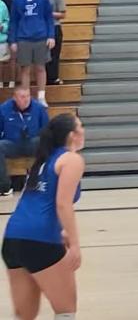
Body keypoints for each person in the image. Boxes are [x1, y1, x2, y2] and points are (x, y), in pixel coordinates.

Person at [1, 113, 85, 318]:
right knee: (66, 311)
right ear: (72, 135)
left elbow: (37, 201)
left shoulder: (43, 160)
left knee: (24, 316)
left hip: (13, 239)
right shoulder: (72, 160)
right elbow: (62, 204)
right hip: (41, 239)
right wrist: (74, 245)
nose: (84, 130)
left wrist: (61, 233)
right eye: (81, 126)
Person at [7, 0, 55, 103]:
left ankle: (41, 97)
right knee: (25, 69)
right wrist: (13, 41)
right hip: (23, 39)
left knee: (41, 67)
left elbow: (48, 18)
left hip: (41, 37)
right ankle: (25, 96)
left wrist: (51, 36)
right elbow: (14, 21)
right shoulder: (17, 0)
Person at [0, 86, 50, 196]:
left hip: (32, 143)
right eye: (22, 97)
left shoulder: (39, 108)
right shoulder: (3, 109)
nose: (26, 99)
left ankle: (43, 181)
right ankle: (4, 186)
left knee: (45, 142)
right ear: (15, 98)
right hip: (12, 144)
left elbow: (47, 129)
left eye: (28, 96)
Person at [39, 0, 65, 86]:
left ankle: (53, 77)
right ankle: (42, 78)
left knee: (54, 54)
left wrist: (48, 13)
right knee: (42, 54)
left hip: (54, 26)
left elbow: (62, 14)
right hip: (40, 28)